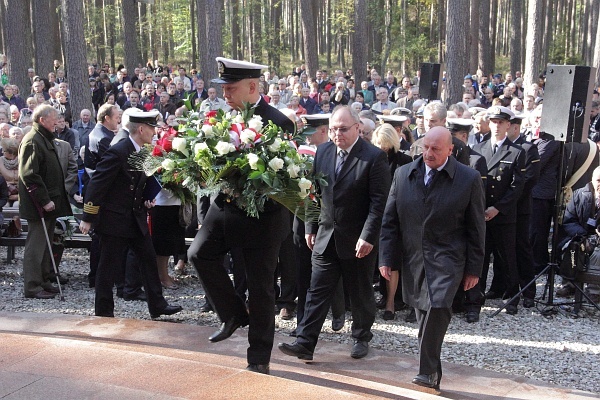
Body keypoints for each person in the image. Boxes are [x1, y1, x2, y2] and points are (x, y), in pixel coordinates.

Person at [187, 57, 295, 375]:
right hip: (225, 206)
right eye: (224, 89)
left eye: (231, 89)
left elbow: (283, 180)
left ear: (252, 86)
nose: (226, 96)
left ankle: (259, 356)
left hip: (264, 215)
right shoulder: (224, 119)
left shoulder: (279, 122)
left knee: (260, 287)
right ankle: (232, 313)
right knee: (198, 253)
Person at [278, 106, 390, 361]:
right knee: (316, 291)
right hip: (326, 237)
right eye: (333, 129)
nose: (337, 134)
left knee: (360, 293)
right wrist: (310, 226)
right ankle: (305, 342)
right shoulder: (324, 152)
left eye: (343, 129)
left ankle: (361, 336)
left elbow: (378, 203)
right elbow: (314, 193)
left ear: (357, 128)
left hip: (357, 240)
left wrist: (368, 236)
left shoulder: (373, 158)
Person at [379, 126, 485, 392]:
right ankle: (432, 370)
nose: (429, 153)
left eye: (436, 149)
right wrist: (386, 258)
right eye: (425, 147)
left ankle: (426, 372)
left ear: (451, 149)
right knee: (423, 313)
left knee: (438, 306)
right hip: (413, 257)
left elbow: (476, 229)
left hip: (449, 257)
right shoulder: (404, 174)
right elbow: (390, 222)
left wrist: (474, 269)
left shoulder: (468, 178)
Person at [78, 110, 183, 319]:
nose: (155, 132)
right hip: (114, 220)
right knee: (108, 267)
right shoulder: (119, 151)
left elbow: (138, 181)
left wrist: (146, 197)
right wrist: (88, 217)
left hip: (134, 217)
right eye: (152, 128)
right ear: (141, 129)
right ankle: (104, 311)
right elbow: (97, 184)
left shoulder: (142, 150)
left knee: (148, 259)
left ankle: (157, 305)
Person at [472, 106, 526, 317]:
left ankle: (512, 296)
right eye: (493, 122)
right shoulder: (479, 148)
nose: (496, 126)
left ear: (508, 125)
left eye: (500, 123)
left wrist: (498, 208)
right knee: (481, 257)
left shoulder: (516, 152)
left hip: (503, 215)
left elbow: (517, 187)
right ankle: (476, 294)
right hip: (482, 213)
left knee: (507, 257)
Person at [19, 105, 72, 299]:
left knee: (45, 243)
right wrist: (44, 200)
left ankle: (43, 280)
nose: (57, 122)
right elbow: (29, 174)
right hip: (39, 204)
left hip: (50, 201)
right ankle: (32, 286)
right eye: (54, 119)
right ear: (42, 120)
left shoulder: (43, 138)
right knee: (36, 245)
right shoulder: (33, 141)